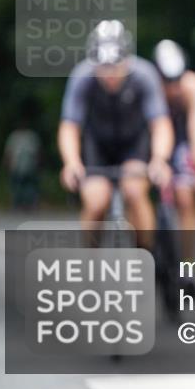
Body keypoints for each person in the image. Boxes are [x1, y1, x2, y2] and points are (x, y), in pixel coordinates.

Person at [58, 20, 173, 250]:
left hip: (134, 143)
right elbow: (70, 126)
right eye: (103, 68)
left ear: (127, 60)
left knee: (134, 190)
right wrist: (71, 162)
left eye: (116, 67)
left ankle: (147, 253)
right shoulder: (82, 77)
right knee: (96, 200)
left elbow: (160, 123)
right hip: (97, 145)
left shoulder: (144, 75)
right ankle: (89, 263)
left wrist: (159, 159)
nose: (110, 75)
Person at [153, 39, 195, 276]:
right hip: (153, 138)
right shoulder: (149, 85)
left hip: (181, 139)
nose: (174, 88)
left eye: (177, 80)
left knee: (186, 198)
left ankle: (188, 265)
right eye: (168, 82)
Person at [4, 120, 41, 211]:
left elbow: (38, 152)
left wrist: (38, 163)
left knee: (30, 187)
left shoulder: (31, 136)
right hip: (16, 166)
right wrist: (7, 163)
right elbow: (9, 152)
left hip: (30, 166)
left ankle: (30, 205)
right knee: (16, 187)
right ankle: (17, 205)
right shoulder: (14, 136)